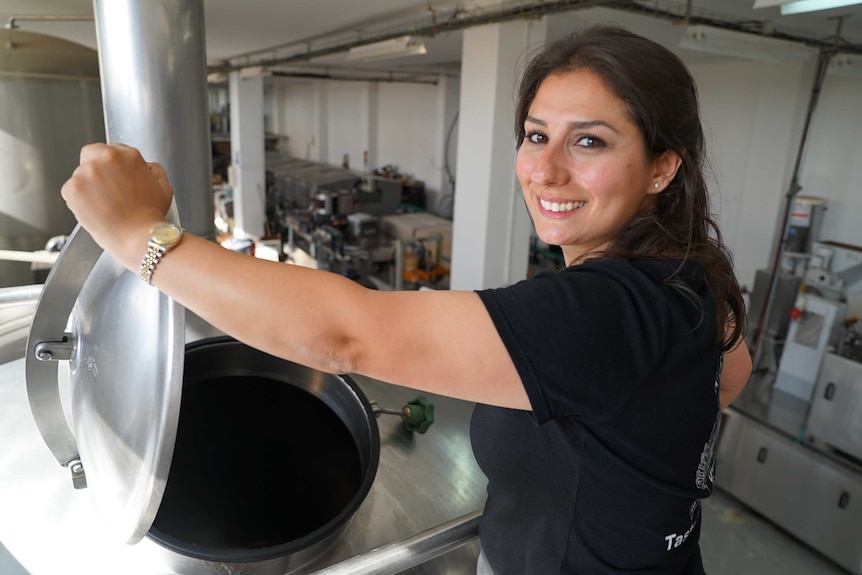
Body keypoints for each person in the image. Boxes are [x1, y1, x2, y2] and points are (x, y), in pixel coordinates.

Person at [61, 25, 751, 575]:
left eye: (590, 141)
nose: (545, 169)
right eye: (537, 135)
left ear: (663, 167)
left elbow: (344, 337)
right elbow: (731, 372)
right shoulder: (687, 279)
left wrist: (139, 239)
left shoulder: (605, 312)